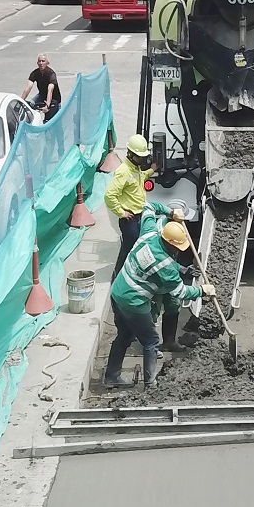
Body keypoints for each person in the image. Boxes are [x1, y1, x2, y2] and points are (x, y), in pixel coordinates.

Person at [104, 202, 216, 387]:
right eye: (177, 247)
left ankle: (111, 377)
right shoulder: (165, 266)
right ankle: (151, 384)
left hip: (118, 290)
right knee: (151, 340)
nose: (179, 250)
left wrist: (171, 212)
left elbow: (148, 206)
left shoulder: (149, 233)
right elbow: (180, 292)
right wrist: (202, 291)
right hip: (133, 301)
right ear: (170, 244)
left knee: (124, 335)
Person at [152, 198, 201, 352]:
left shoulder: (174, 227)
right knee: (152, 311)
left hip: (168, 269)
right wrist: (200, 291)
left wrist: (183, 269)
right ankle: (149, 347)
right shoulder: (158, 232)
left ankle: (169, 342)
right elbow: (162, 261)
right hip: (155, 274)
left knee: (173, 305)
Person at [104, 134, 157, 277]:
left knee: (136, 247)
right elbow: (109, 196)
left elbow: (139, 179)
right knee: (129, 248)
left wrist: (151, 170)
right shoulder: (123, 171)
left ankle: (132, 275)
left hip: (138, 216)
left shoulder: (135, 168)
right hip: (130, 219)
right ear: (130, 154)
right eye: (140, 157)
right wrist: (122, 213)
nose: (142, 159)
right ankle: (118, 276)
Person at [21, 53, 62, 122]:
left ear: (47, 63)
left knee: (51, 119)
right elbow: (28, 87)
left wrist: (47, 106)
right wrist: (21, 100)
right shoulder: (35, 73)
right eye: (39, 61)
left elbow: (50, 90)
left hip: (54, 99)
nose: (41, 63)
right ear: (37, 63)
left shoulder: (51, 74)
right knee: (30, 104)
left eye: (43, 61)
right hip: (42, 95)